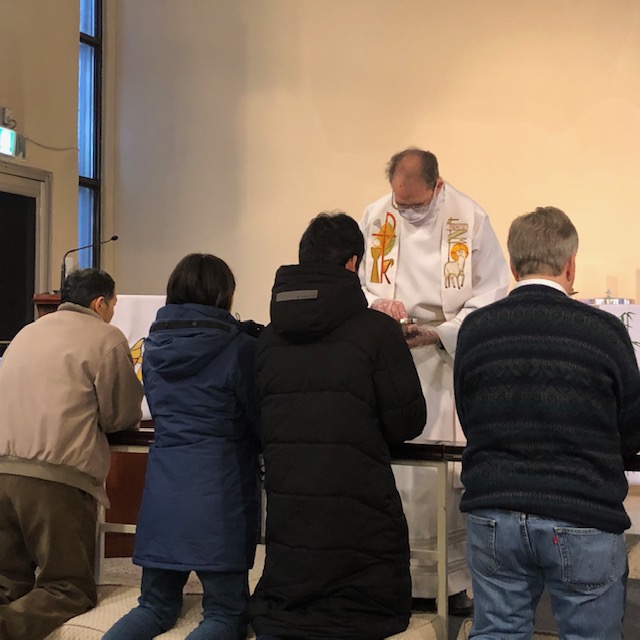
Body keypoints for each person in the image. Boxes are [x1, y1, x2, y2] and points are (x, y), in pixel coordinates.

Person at [454, 206, 640, 639]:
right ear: (570, 264)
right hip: (582, 512)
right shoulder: (604, 332)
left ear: (514, 263)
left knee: (497, 632)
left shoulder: (476, 330)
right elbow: (631, 428)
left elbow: (469, 414)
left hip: (492, 510)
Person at [250, 212, 426, 640]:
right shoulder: (377, 332)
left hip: (292, 539)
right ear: (352, 264)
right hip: (361, 543)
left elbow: (259, 421)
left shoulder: (268, 340)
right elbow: (408, 421)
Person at [358, 147, 510, 609]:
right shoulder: (376, 215)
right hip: (389, 361)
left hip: (442, 363)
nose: (406, 212)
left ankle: (451, 585)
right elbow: (362, 281)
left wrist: (439, 332)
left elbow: (490, 295)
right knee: (395, 478)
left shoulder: (470, 218)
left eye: (416, 205)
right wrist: (377, 307)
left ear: (437, 186)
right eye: (400, 204)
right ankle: (394, 579)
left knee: (439, 481)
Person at [103, 253, 261, 640]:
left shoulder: (153, 349)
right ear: (224, 295)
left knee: (154, 608)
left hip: (164, 488)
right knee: (224, 615)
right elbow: (256, 417)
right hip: (220, 491)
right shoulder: (240, 348)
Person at [0, 268, 143, 640]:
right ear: (99, 303)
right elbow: (121, 416)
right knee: (68, 588)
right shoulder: (105, 337)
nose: (112, 311)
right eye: (112, 304)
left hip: (2, 473)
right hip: (56, 478)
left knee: (7, 583)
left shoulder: (26, 333)